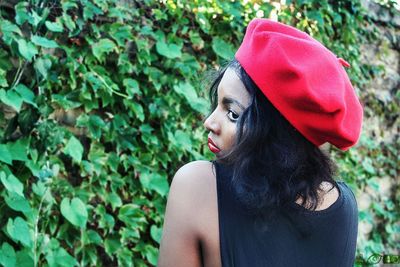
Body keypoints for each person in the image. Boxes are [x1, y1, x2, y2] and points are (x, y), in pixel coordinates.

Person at [157, 18, 363, 267]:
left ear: (278, 134)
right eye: (217, 105)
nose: (209, 122)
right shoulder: (343, 205)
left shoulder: (197, 185)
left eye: (232, 113)